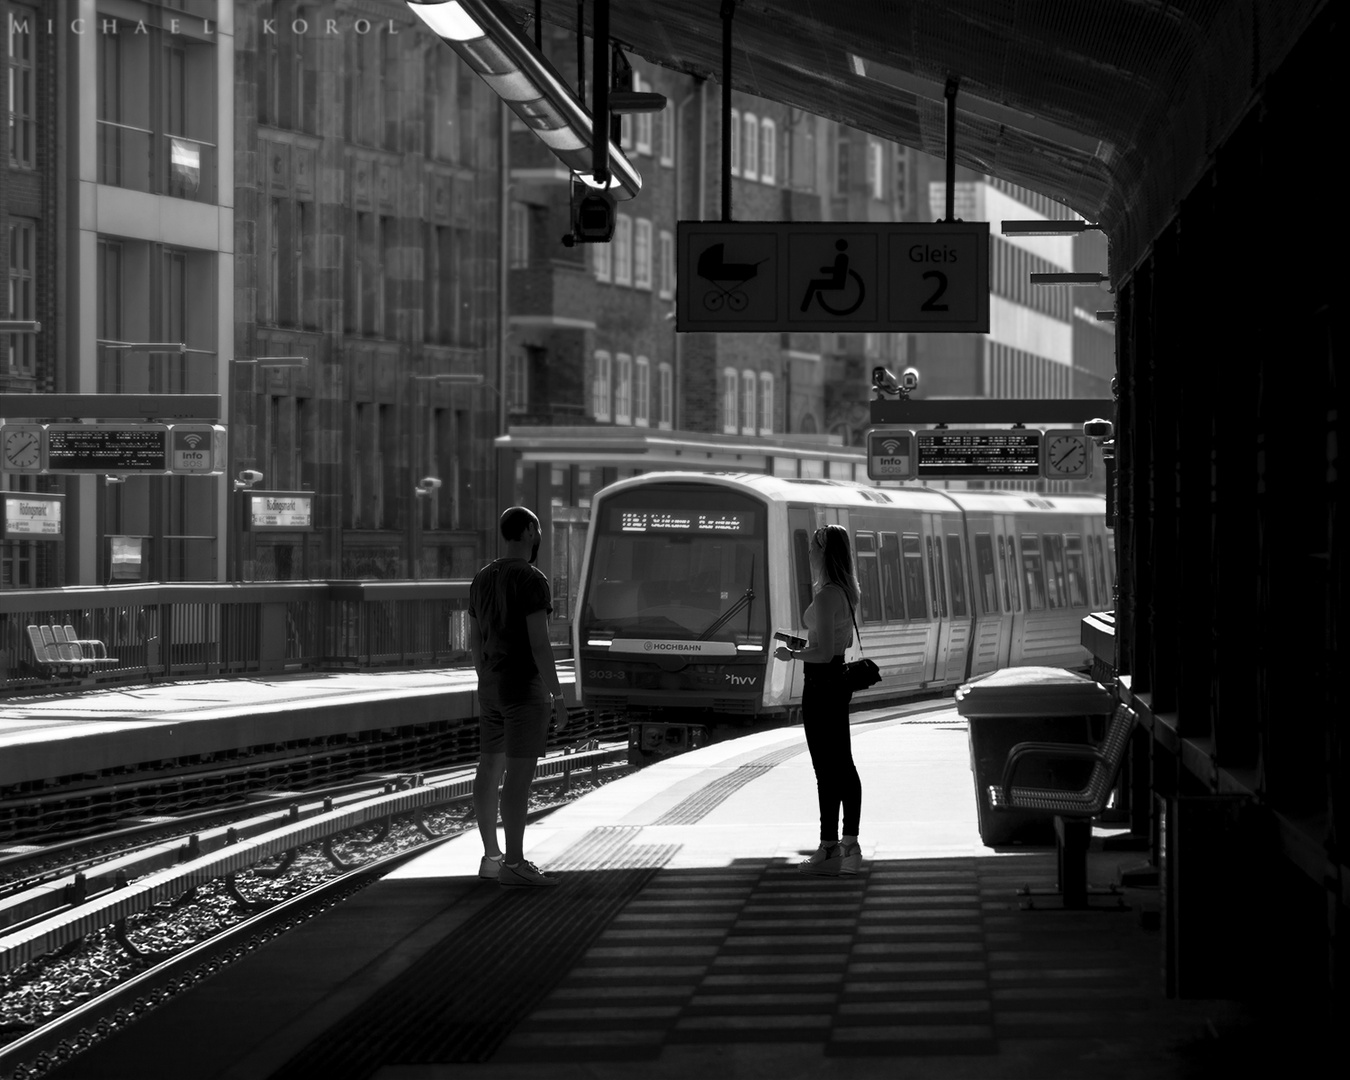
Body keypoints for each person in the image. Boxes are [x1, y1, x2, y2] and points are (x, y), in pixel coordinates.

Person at [467, 506, 570, 887]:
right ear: (528, 531)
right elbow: (539, 644)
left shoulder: (481, 577)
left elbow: (475, 642)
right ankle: (514, 862)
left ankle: (491, 857)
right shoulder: (531, 579)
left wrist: (486, 679)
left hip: (490, 686)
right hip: (524, 690)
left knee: (488, 766)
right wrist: (558, 694)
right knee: (518, 777)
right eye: (537, 529)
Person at [773, 524, 863, 875]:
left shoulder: (826, 595)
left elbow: (823, 653)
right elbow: (839, 646)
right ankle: (849, 845)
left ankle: (829, 848)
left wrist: (791, 656)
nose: (808, 553)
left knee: (826, 769)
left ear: (823, 552)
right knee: (843, 764)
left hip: (821, 685)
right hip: (836, 683)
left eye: (812, 547)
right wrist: (804, 645)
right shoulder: (845, 592)